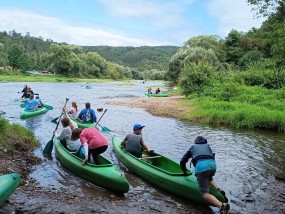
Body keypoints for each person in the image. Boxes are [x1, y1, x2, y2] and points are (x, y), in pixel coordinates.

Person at [180, 136, 230, 214]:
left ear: (195, 142)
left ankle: (221, 205)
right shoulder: (208, 146)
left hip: (202, 168)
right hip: (213, 166)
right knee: (208, 177)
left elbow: (182, 161)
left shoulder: (193, 147)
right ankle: (219, 189)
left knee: (204, 193)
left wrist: (184, 171)